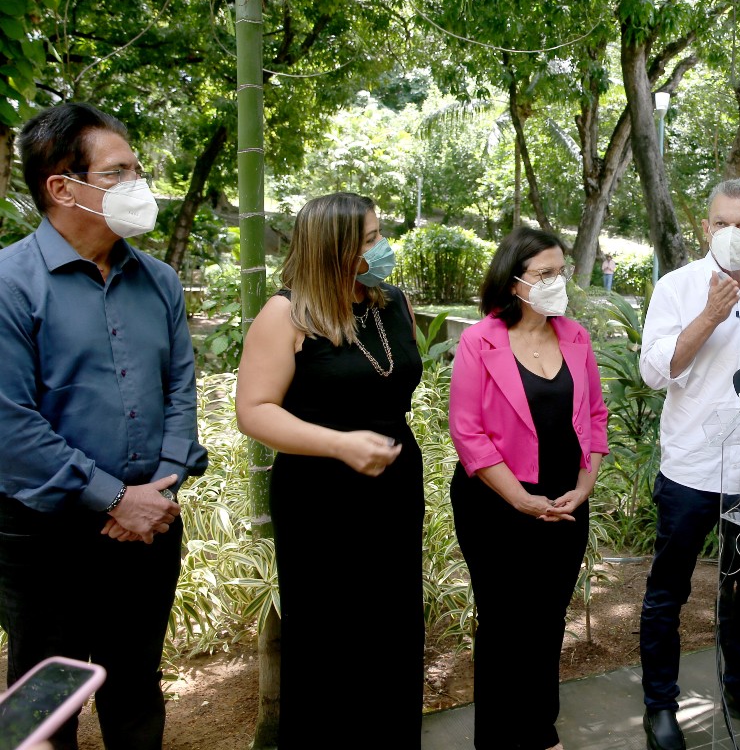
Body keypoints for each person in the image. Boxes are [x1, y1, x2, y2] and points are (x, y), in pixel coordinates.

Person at [0, 102, 208, 749]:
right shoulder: (10, 282)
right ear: (62, 186)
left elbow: (181, 392)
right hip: (43, 534)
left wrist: (157, 493)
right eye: (119, 173)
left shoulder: (161, 282)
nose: (139, 184)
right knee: (45, 701)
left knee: (136, 689)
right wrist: (116, 498)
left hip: (147, 530)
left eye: (137, 170)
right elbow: (10, 424)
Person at [236, 193, 424, 746]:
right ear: (333, 248)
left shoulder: (392, 302)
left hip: (393, 484)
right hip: (319, 494)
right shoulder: (286, 314)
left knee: (391, 630)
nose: (382, 248)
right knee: (328, 636)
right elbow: (254, 412)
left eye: (379, 234)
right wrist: (339, 444)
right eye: (369, 240)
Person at [639, 178, 740, 750]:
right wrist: (709, 314)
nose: (735, 234)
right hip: (691, 471)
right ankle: (660, 705)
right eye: (724, 223)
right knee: (668, 592)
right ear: (705, 228)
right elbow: (655, 373)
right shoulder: (676, 287)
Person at [448, 226, 608, 750]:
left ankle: (540, 728)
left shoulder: (576, 336)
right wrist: (518, 498)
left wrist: (586, 484)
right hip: (496, 504)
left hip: (564, 501)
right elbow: (466, 431)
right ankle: (496, 737)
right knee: (504, 623)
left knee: (547, 617)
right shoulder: (480, 340)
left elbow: (596, 417)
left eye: (560, 272)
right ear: (514, 281)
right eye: (544, 274)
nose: (555, 282)